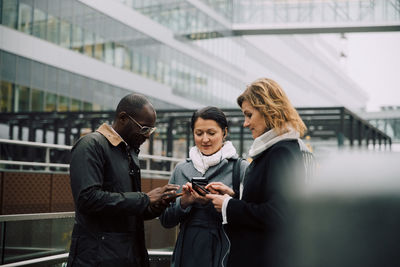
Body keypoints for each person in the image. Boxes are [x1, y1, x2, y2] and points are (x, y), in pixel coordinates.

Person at [67, 94, 179, 267]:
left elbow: (130, 208)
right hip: (97, 259)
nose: (147, 136)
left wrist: (157, 205)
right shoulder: (91, 145)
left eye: (151, 130)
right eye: (144, 129)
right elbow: (87, 199)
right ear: (123, 118)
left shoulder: (129, 151)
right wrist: (145, 199)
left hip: (126, 255)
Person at [206, 78, 308, 267]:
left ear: (268, 109)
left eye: (249, 115)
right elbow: (267, 201)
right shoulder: (275, 149)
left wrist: (229, 206)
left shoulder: (281, 151)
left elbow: (280, 213)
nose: (245, 123)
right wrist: (234, 197)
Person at [159, 106, 248, 267]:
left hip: (225, 252)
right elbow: (165, 220)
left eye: (211, 133)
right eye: (199, 133)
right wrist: (184, 203)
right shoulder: (181, 169)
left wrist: (229, 200)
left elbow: (252, 215)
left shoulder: (239, 168)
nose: (205, 139)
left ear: (224, 133)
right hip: (187, 252)